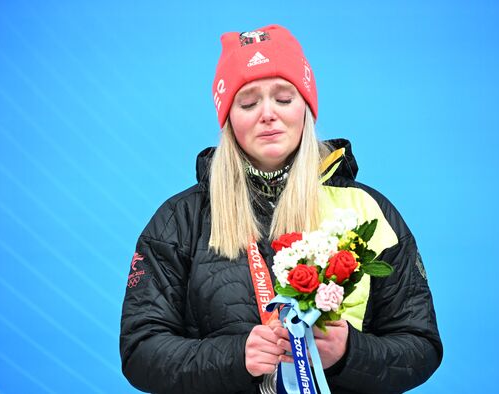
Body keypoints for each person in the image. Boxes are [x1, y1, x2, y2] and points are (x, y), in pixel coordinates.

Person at [120, 24, 442, 394]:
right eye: (248, 102)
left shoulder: (366, 211)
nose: (268, 114)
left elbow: (421, 345)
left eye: (284, 98)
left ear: (306, 108)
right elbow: (140, 351)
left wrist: (349, 353)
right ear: (228, 119)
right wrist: (235, 357)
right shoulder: (180, 220)